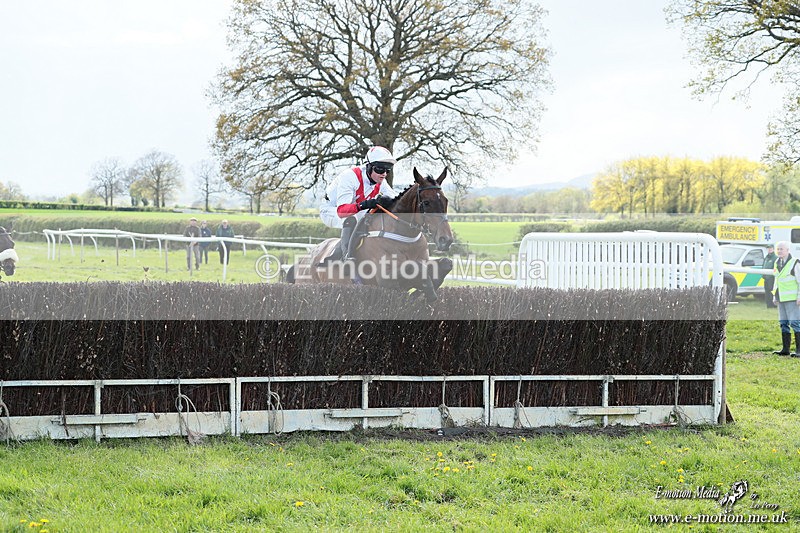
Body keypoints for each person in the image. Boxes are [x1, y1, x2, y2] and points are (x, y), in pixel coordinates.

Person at [318, 146, 398, 263]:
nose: (384, 174)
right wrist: (363, 205)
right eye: (380, 169)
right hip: (331, 211)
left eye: (388, 169)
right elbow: (342, 211)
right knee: (350, 218)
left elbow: (395, 199)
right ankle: (347, 258)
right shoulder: (350, 177)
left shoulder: (381, 180)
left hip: (353, 211)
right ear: (369, 166)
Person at [771, 241, 800, 357]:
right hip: (781, 298)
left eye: (781, 249)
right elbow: (776, 281)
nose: (779, 251)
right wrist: (775, 295)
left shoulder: (795, 263)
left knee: (795, 323)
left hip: (792, 299)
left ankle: (799, 350)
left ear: (788, 250)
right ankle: (785, 349)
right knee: (783, 323)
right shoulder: (777, 262)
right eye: (778, 249)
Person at [763, 244, 777, 308]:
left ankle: (773, 304)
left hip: (771, 278)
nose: (769, 249)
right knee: (767, 291)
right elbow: (763, 266)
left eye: (770, 248)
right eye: (768, 248)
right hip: (766, 278)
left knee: (771, 291)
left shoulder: (775, 258)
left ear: (773, 249)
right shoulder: (766, 257)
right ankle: (768, 304)